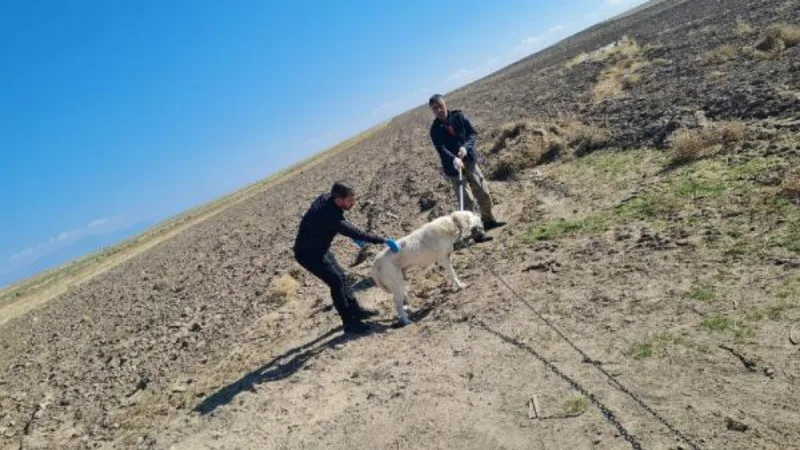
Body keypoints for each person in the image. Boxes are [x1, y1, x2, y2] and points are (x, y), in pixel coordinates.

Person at [293, 181, 400, 334]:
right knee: (336, 281)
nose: (353, 203)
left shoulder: (327, 198)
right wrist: (382, 240)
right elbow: (353, 231)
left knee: (342, 277)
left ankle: (356, 310)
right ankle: (350, 324)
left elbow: (342, 225)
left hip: (320, 248)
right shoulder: (330, 216)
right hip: (308, 254)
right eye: (350, 200)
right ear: (338, 200)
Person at [428, 93, 505, 243]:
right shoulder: (435, 130)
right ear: (432, 110)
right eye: (435, 108)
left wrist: (465, 147)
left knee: (483, 191)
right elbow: (441, 148)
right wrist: (454, 159)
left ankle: (488, 220)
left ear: (445, 104)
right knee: (467, 201)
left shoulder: (459, 117)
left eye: (440, 106)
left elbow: (472, 134)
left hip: (470, 160)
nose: (439, 110)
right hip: (454, 169)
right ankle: (477, 233)